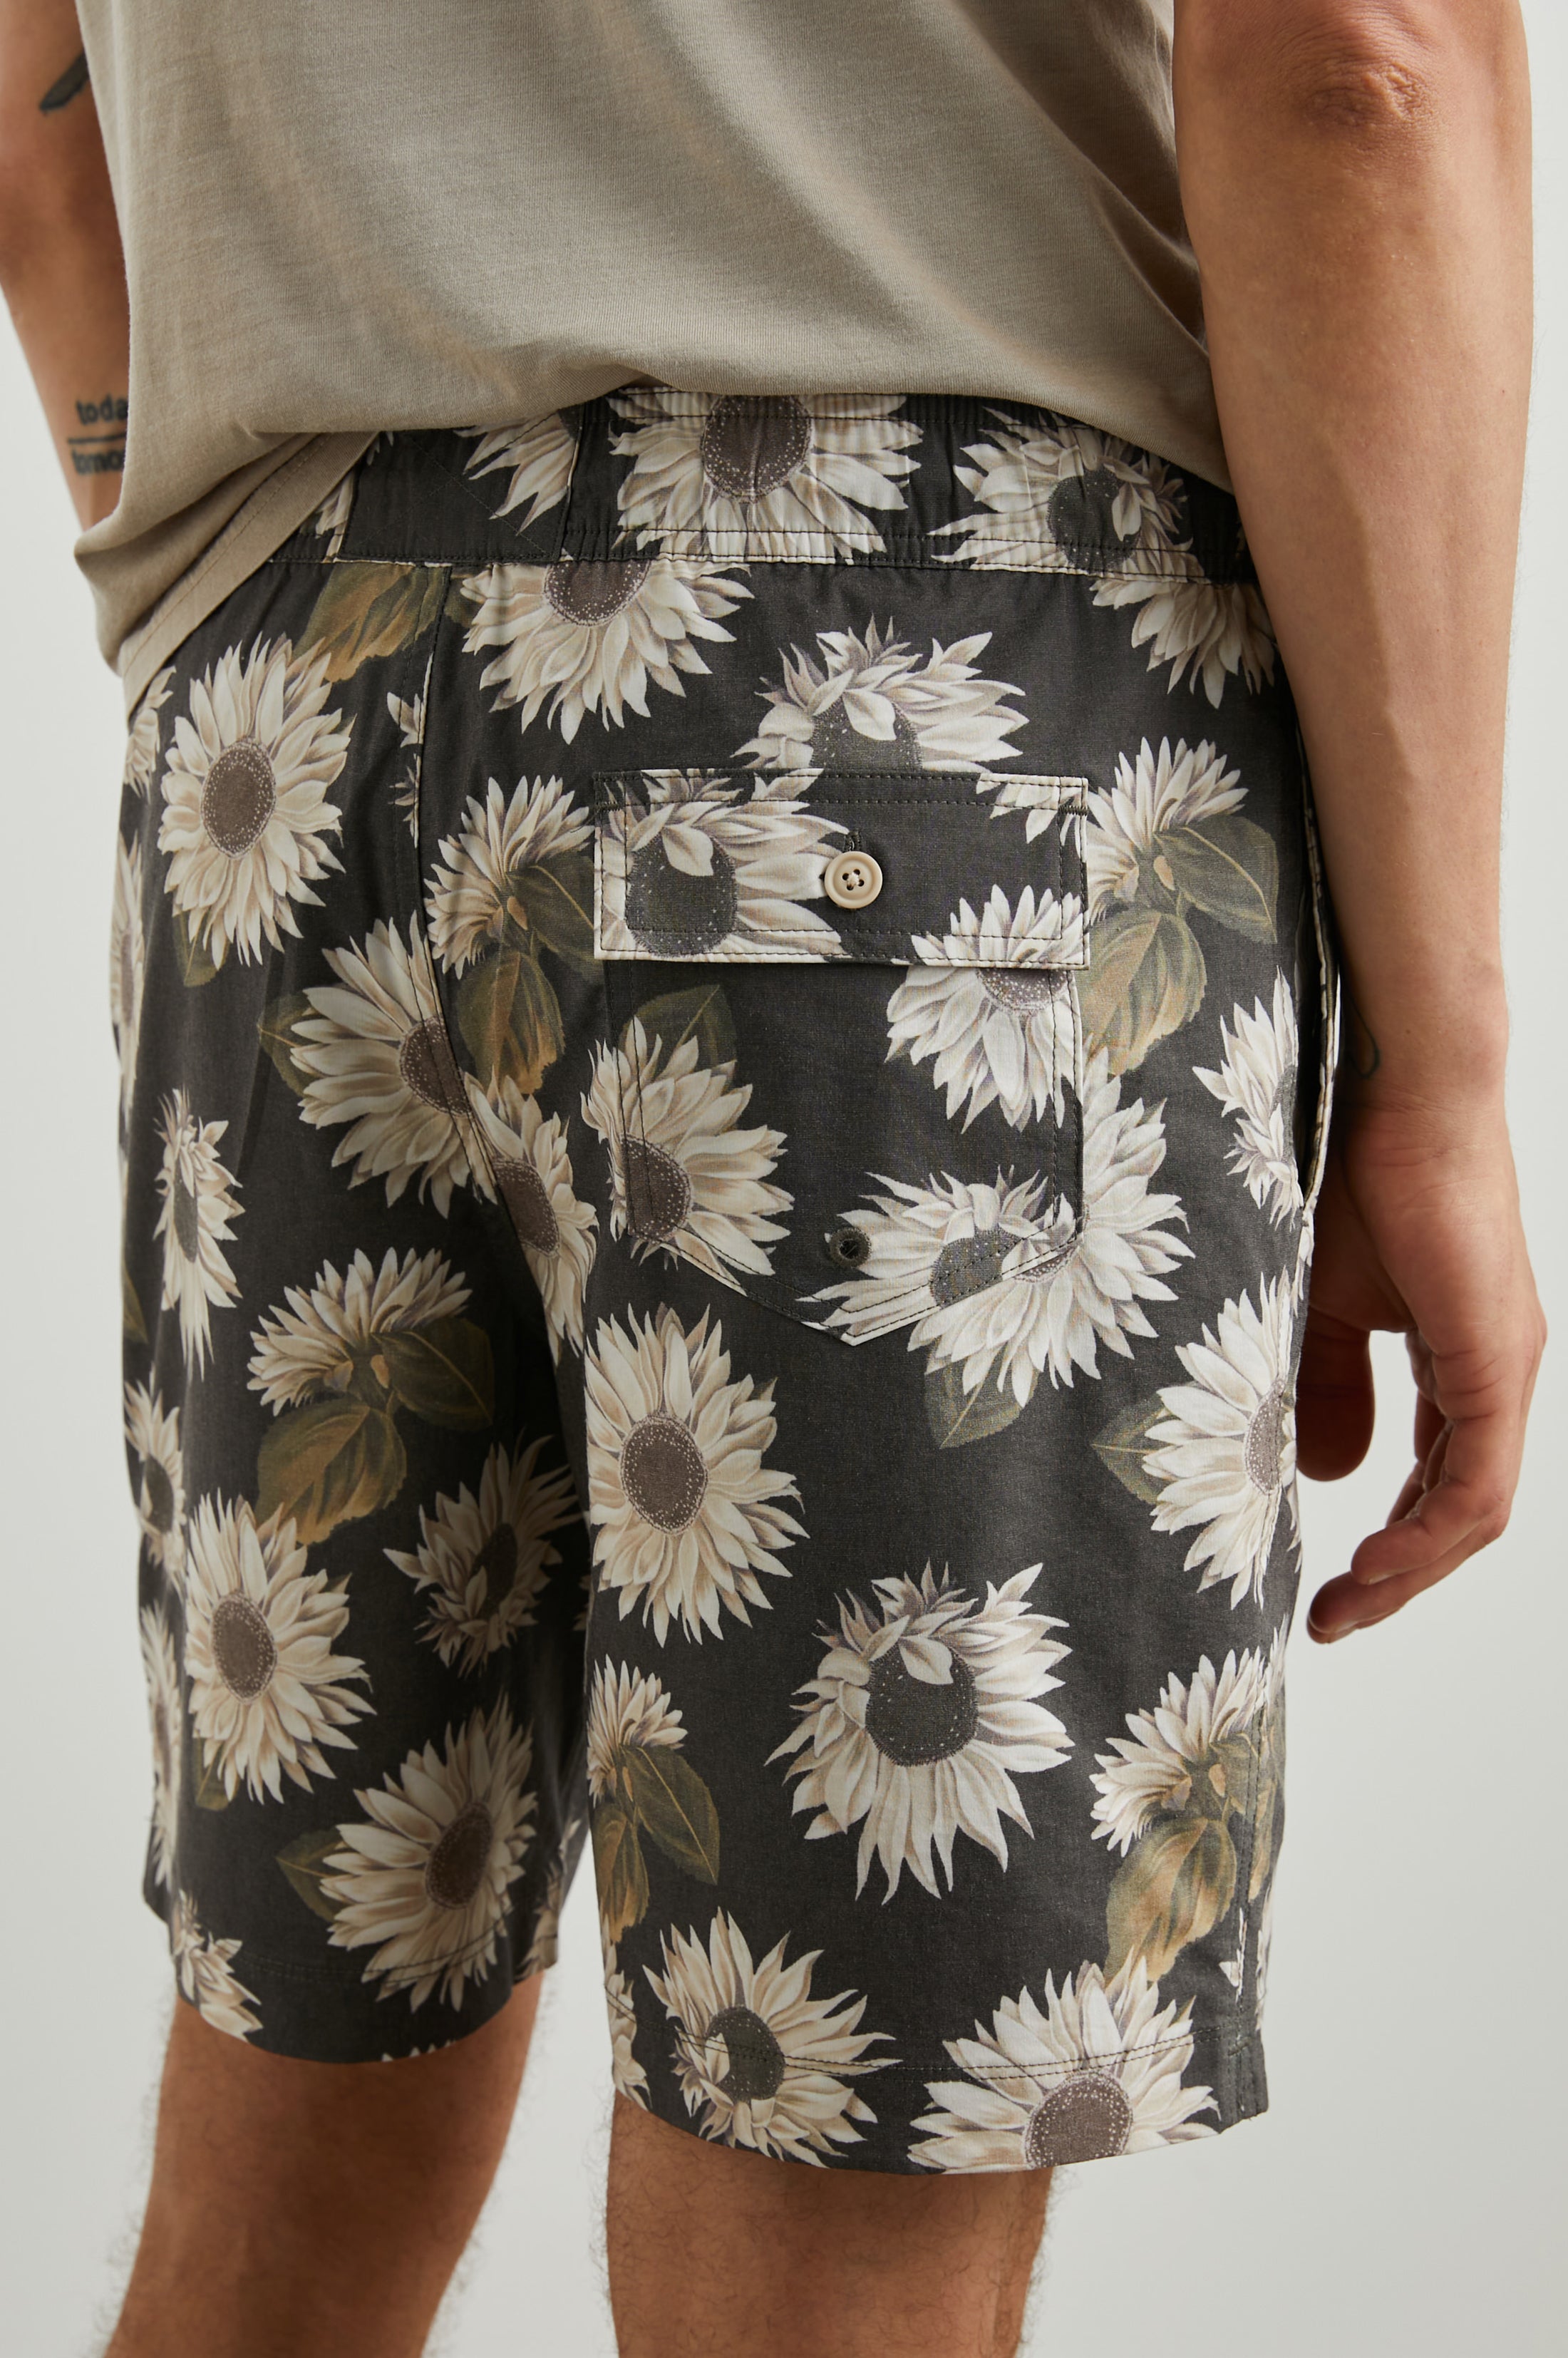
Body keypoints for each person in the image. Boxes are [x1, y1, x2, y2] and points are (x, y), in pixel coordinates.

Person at [0, 4, 1545, 2353]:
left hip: (278, 751)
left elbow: (41, 131)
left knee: (287, 2144)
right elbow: (1354, 62)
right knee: (844, 2196)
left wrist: (208, 577)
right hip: (907, 722)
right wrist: (1444, 1060)